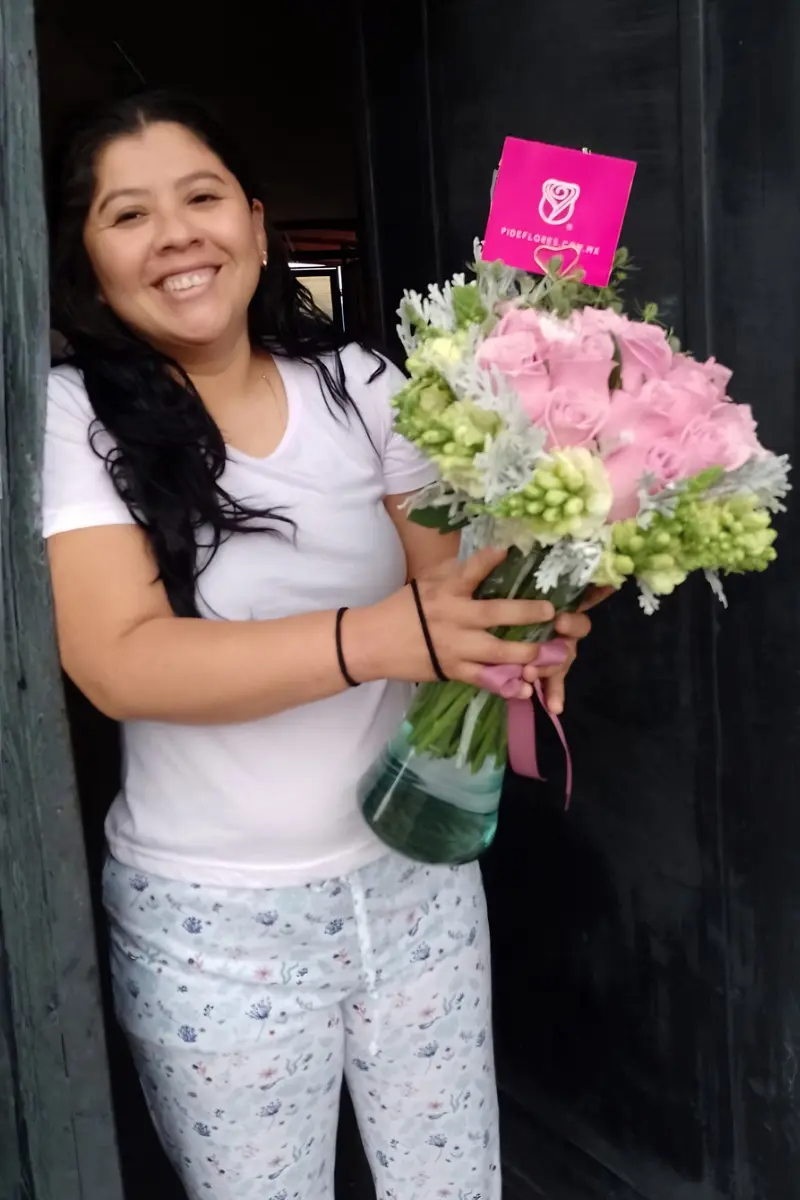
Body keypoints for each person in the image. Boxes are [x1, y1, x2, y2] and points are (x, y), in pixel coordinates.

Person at [43, 90, 597, 1200]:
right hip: (212, 920)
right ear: (88, 259)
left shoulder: (360, 386)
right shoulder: (72, 415)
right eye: (128, 216)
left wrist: (514, 635)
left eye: (201, 199)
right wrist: (379, 639)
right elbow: (119, 661)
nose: (177, 236)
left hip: (414, 874)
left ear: (254, 222)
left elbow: (447, 594)